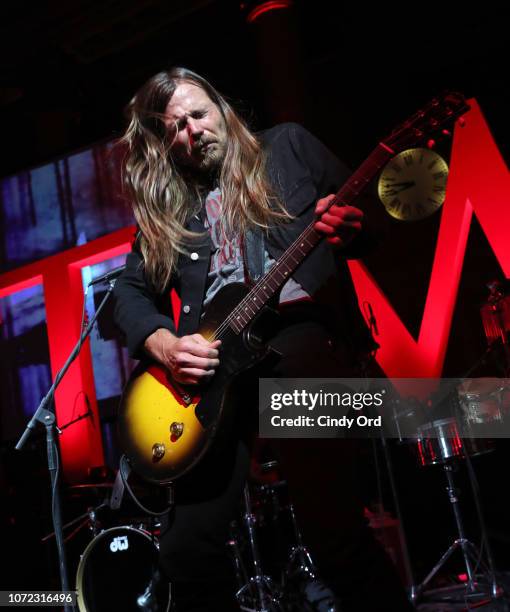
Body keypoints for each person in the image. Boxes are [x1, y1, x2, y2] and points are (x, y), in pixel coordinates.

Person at [113, 67, 410, 611]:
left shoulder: (289, 146)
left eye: (198, 115)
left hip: (303, 337)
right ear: (164, 146)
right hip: (214, 371)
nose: (191, 131)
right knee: (186, 551)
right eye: (175, 127)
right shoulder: (171, 210)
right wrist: (162, 344)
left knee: (334, 534)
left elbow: (373, 226)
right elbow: (128, 294)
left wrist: (353, 228)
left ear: (221, 110)